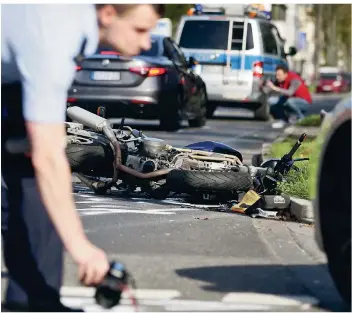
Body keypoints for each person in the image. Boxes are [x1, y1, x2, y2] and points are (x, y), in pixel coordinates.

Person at [1, 4, 164, 311]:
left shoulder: (69, 22)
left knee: (35, 182)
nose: (146, 43)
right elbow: (48, 157)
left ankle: (34, 301)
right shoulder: (55, 36)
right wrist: (82, 250)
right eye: (140, 30)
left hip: (9, 84)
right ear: (108, 15)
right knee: (45, 169)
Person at [265, 64, 312, 129]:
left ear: (286, 74)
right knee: (271, 101)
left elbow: (290, 92)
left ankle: (301, 119)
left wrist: (275, 88)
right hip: (290, 100)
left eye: (279, 75)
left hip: (304, 102)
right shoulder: (280, 80)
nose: (277, 77)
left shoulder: (295, 79)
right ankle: (284, 120)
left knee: (290, 101)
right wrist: (264, 86)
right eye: (276, 75)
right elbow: (267, 91)